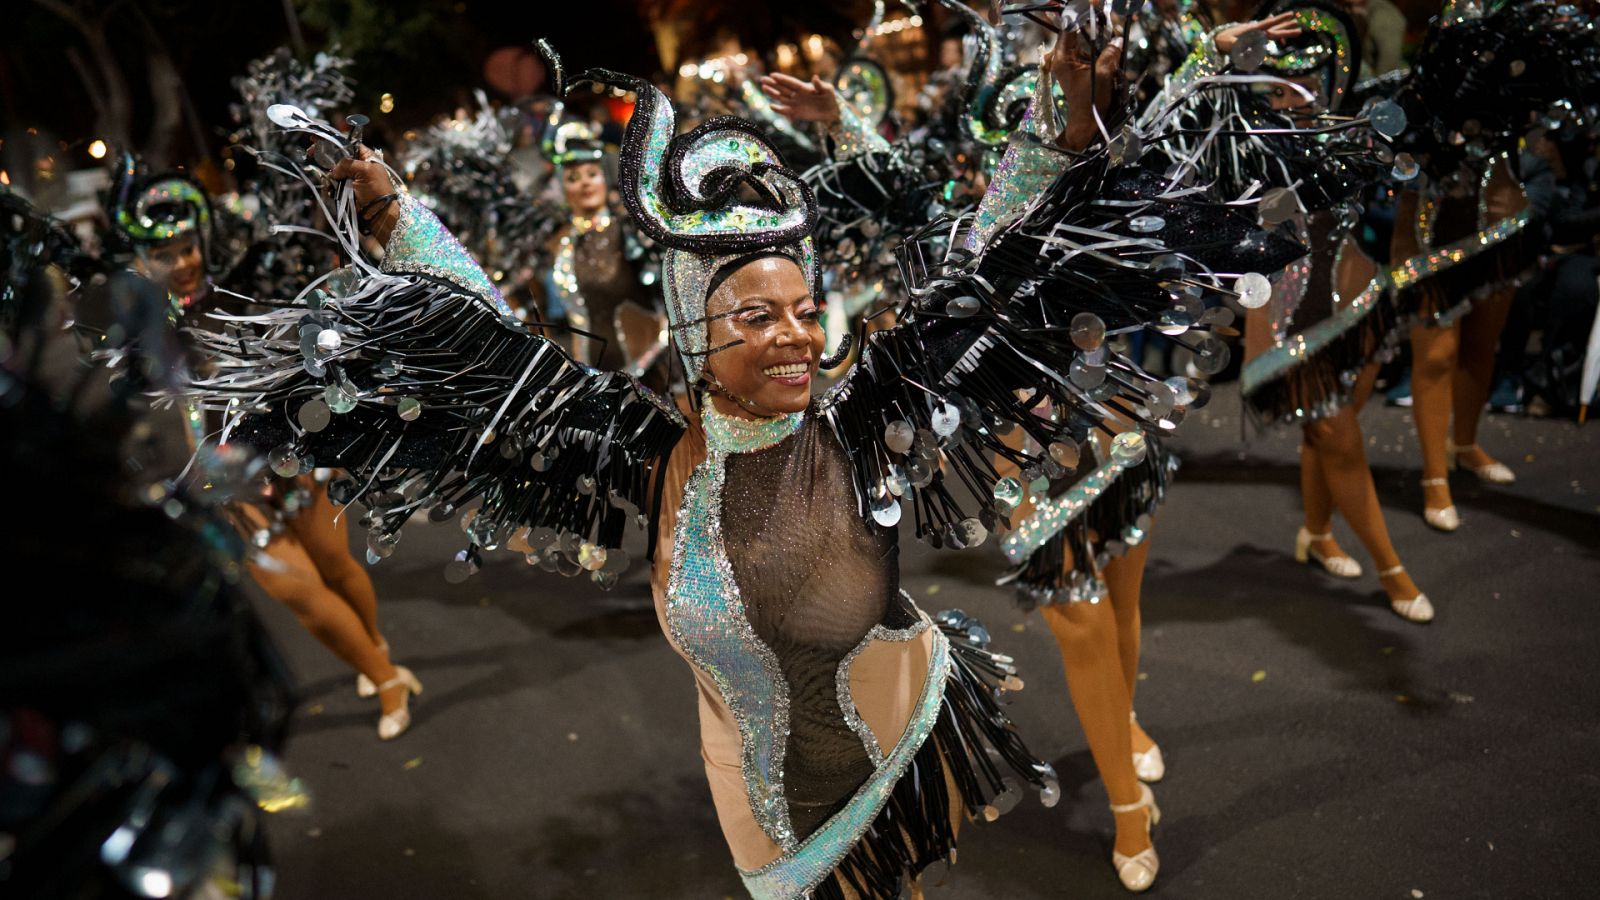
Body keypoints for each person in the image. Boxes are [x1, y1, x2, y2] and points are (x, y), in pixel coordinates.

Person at [112, 159, 420, 741]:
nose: (180, 264)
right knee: (297, 592)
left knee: (335, 566)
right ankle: (386, 678)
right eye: (164, 254)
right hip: (225, 478)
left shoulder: (246, 289)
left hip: (292, 452)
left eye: (186, 248)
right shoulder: (140, 329)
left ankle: (375, 647)